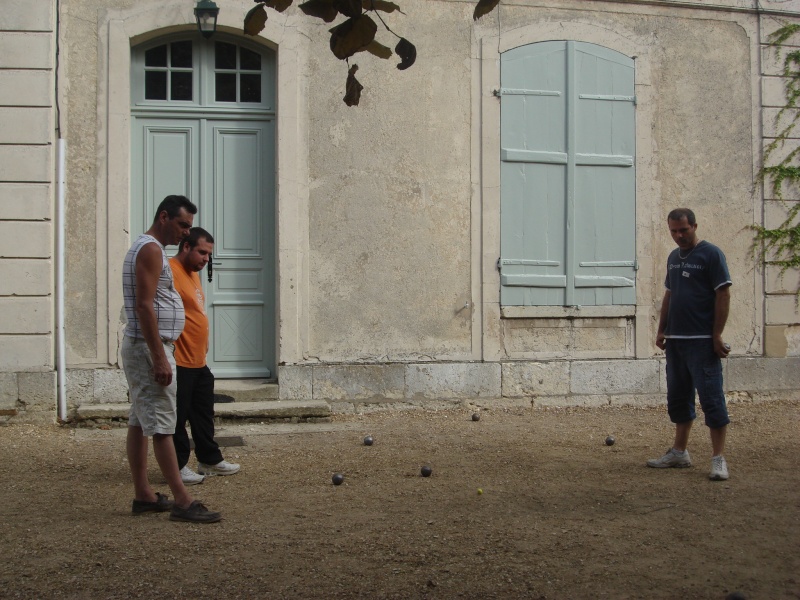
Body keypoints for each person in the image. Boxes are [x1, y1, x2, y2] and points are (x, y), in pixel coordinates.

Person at [121, 195, 222, 523]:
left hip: (146, 346)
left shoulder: (146, 247)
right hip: (150, 348)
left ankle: (144, 495)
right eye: (182, 225)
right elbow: (144, 306)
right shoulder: (150, 249)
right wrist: (159, 357)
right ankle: (182, 500)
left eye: (189, 227)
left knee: (139, 421)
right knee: (164, 424)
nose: (185, 233)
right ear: (163, 217)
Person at [649, 208, 733, 481]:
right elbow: (669, 295)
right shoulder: (673, 258)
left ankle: (718, 458)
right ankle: (679, 452)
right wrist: (662, 330)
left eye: (683, 230)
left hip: (701, 342)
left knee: (711, 398)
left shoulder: (711, 254)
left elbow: (723, 294)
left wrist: (716, 334)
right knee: (678, 397)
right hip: (676, 342)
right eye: (673, 231)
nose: (678, 236)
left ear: (695, 226)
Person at [169, 227, 240, 485]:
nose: (206, 259)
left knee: (203, 413)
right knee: (176, 418)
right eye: (202, 252)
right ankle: (176, 466)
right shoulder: (170, 271)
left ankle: (209, 460)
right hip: (178, 359)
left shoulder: (193, 274)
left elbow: (194, 310)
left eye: (209, 254)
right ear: (186, 246)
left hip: (198, 360)